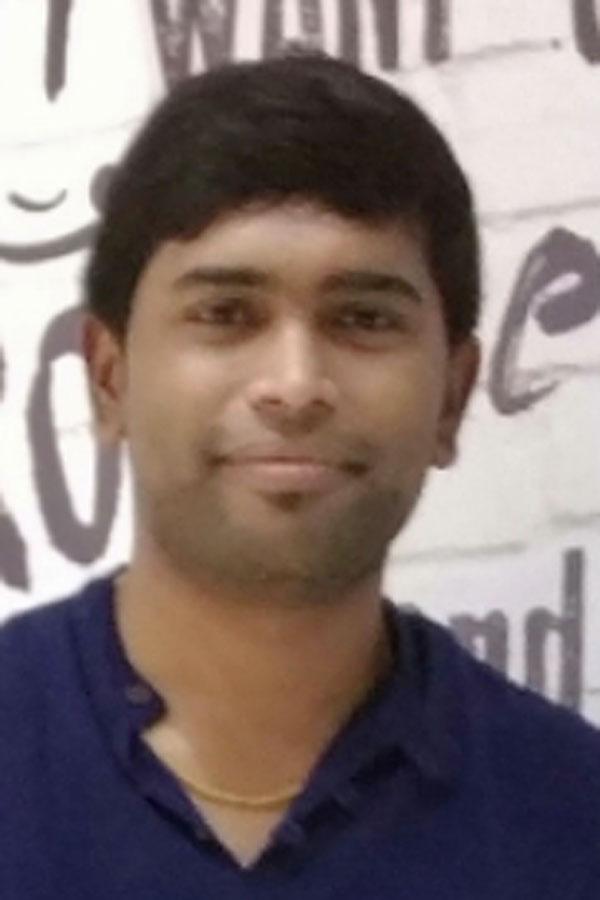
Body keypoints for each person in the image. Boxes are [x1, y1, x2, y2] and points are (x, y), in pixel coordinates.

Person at [1, 53, 599, 899]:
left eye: (363, 318)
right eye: (225, 313)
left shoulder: (572, 816)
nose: (294, 384)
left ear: (451, 398)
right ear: (109, 378)